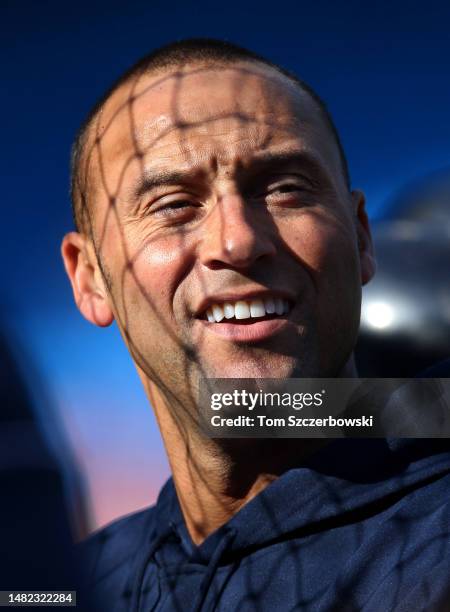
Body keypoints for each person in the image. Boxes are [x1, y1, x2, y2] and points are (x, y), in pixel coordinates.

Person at [61, 39, 450, 611]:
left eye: (286, 189)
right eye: (173, 204)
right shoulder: (82, 583)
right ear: (90, 279)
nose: (238, 240)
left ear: (362, 238)